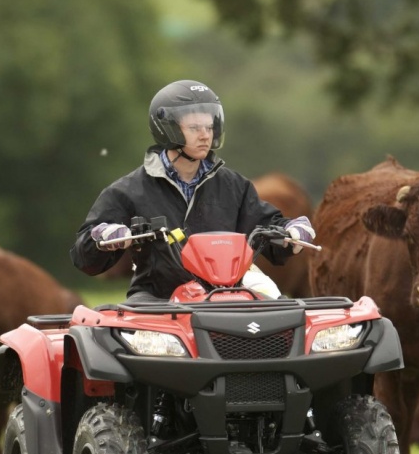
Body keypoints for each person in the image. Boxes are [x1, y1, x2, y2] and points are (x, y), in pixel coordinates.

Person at [70, 79, 315, 303]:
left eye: (209, 127)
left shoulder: (234, 186)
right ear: (168, 129)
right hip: (158, 299)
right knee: (124, 327)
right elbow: (84, 257)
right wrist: (101, 238)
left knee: (282, 314)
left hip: (226, 295)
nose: (205, 135)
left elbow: (269, 227)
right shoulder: (128, 191)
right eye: (195, 127)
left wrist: (292, 231)